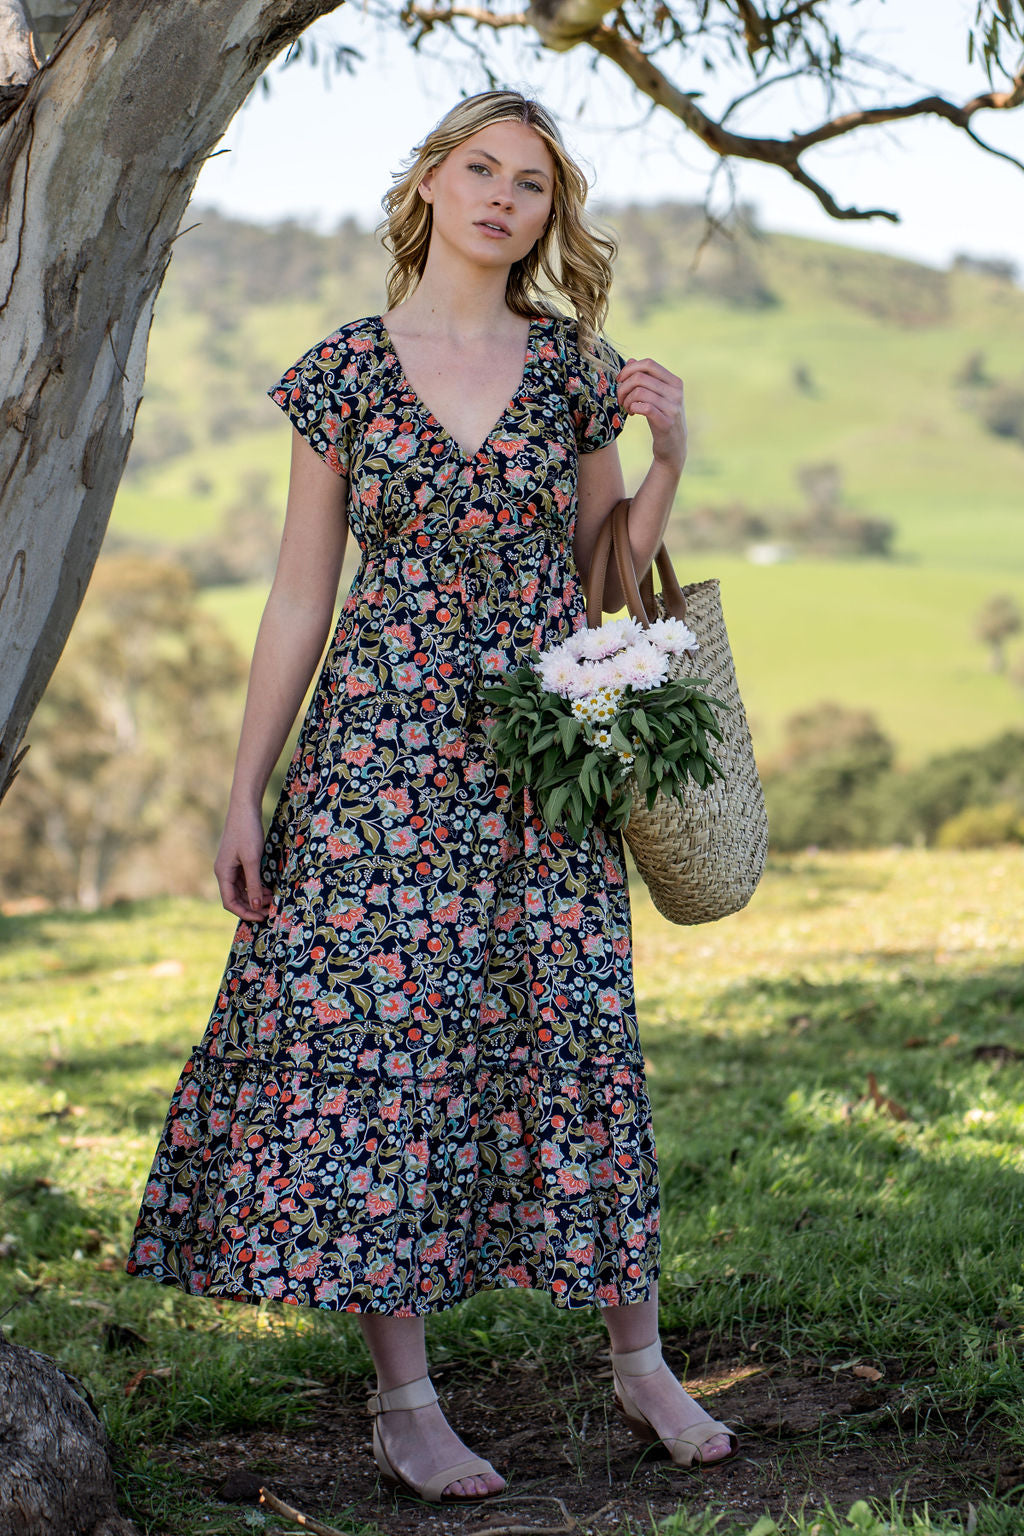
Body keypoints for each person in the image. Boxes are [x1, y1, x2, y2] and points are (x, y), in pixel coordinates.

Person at [126, 88, 736, 1502]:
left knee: (575, 1024)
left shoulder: (578, 371)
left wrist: (667, 468)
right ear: (426, 188)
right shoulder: (342, 371)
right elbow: (296, 597)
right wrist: (242, 790)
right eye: (480, 169)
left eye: (530, 183)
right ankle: (407, 1399)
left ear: (546, 216)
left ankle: (639, 1360)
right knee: (385, 1052)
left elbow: (602, 575)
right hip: (379, 761)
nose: (502, 197)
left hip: (541, 752)